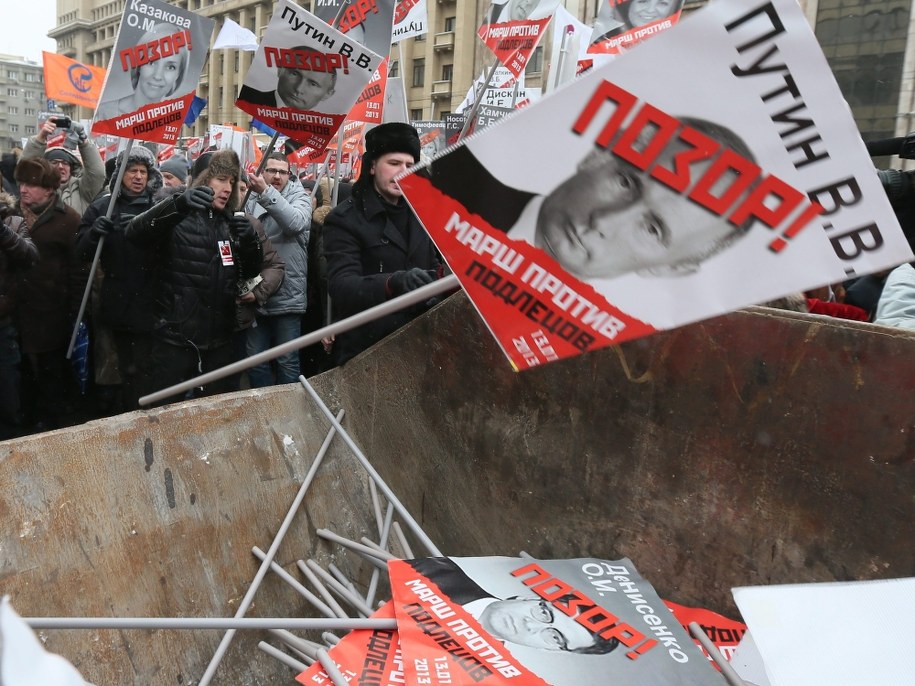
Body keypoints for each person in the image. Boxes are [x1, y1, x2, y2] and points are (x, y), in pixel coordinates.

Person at [425, 116, 756, 282]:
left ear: (673, 268)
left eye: (653, 229)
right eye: (626, 182)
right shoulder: (436, 186)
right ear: (599, 155)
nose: (603, 221)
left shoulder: (622, 366)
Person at [125, 150, 264, 402]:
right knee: (165, 411)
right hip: (175, 340)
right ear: (202, 179)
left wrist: (250, 241)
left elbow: (250, 273)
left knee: (212, 414)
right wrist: (177, 205)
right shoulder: (176, 213)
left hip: (218, 343)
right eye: (221, 179)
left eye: (232, 181)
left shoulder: (229, 222)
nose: (227, 188)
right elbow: (135, 233)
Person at [324, 122, 444, 365]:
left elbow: (434, 265)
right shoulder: (344, 219)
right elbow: (341, 286)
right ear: (372, 166)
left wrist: (438, 283)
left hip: (420, 345)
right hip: (369, 352)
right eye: (394, 163)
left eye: (409, 165)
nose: (403, 171)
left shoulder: (424, 213)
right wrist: (392, 283)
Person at [75, 146, 164, 411]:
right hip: (118, 301)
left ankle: (146, 413)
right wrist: (94, 233)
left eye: (143, 171)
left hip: (152, 301)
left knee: (148, 368)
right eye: (132, 171)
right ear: (120, 175)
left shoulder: (158, 205)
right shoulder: (104, 206)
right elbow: (80, 252)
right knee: (125, 369)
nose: (138, 177)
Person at [407, 558, 618, 655]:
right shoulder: (434, 572)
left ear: (548, 649)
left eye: (555, 637)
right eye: (544, 613)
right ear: (527, 598)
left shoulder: (475, 677)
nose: (530, 625)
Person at [12, 158, 82, 430]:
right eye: (21, 183)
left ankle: (51, 428)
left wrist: (75, 313)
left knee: (51, 379)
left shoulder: (68, 220)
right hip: (16, 314)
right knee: (21, 381)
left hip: (52, 315)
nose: (23, 190)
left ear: (50, 188)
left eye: (31, 184)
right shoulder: (11, 217)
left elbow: (78, 271)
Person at [244, 152, 311, 386]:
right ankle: (263, 406)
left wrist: (265, 192)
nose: (277, 176)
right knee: (255, 361)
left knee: (287, 362)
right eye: (272, 170)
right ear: (262, 172)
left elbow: (295, 223)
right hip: (255, 293)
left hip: (287, 293)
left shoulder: (299, 197)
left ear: (290, 175)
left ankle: (290, 407)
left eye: (283, 172)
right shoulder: (249, 197)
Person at [0, 193, 38, 438]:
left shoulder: (13, 222)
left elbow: (30, 256)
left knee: (8, 395)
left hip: (3, 326)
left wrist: (3, 232)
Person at [95, 23, 190, 120]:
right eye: (151, 62)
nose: (158, 76)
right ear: (139, 65)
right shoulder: (103, 114)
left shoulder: (173, 121)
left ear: (178, 74)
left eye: (170, 67)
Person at [22, 119, 106, 217]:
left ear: (72, 168)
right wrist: (41, 137)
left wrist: (84, 142)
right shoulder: (37, 188)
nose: (60, 167)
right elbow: (24, 170)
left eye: (65, 163)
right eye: (54, 162)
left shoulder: (83, 189)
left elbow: (98, 174)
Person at [239, 47, 337, 111]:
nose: (299, 89)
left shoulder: (315, 131)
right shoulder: (249, 99)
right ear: (280, 69)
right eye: (295, 74)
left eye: (313, 84)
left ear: (328, 94)